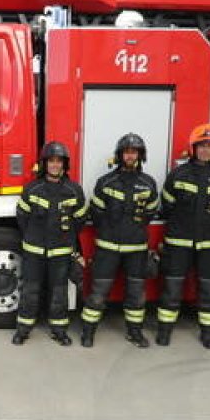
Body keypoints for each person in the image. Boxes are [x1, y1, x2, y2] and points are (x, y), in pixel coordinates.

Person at [155, 124, 210, 349]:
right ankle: (164, 331)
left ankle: (208, 334)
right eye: (202, 145)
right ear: (193, 148)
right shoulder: (178, 175)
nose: (206, 150)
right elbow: (167, 206)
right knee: (172, 289)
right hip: (178, 243)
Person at [78, 133, 159, 348]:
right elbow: (96, 212)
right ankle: (88, 332)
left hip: (136, 250)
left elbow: (150, 213)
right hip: (107, 249)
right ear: (120, 155)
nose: (130, 155)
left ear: (140, 156)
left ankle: (135, 332)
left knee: (136, 296)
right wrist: (111, 230)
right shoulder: (105, 182)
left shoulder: (148, 183)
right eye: (127, 151)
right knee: (98, 294)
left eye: (134, 152)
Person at [13, 141, 87, 346]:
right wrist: (34, 238)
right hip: (34, 251)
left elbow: (79, 221)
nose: (55, 165)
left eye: (59, 161)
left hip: (61, 252)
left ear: (64, 165)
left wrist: (65, 241)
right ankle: (23, 329)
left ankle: (59, 330)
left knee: (59, 292)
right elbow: (22, 218)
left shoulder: (74, 191)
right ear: (44, 164)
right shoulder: (32, 189)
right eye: (51, 161)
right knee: (30, 290)